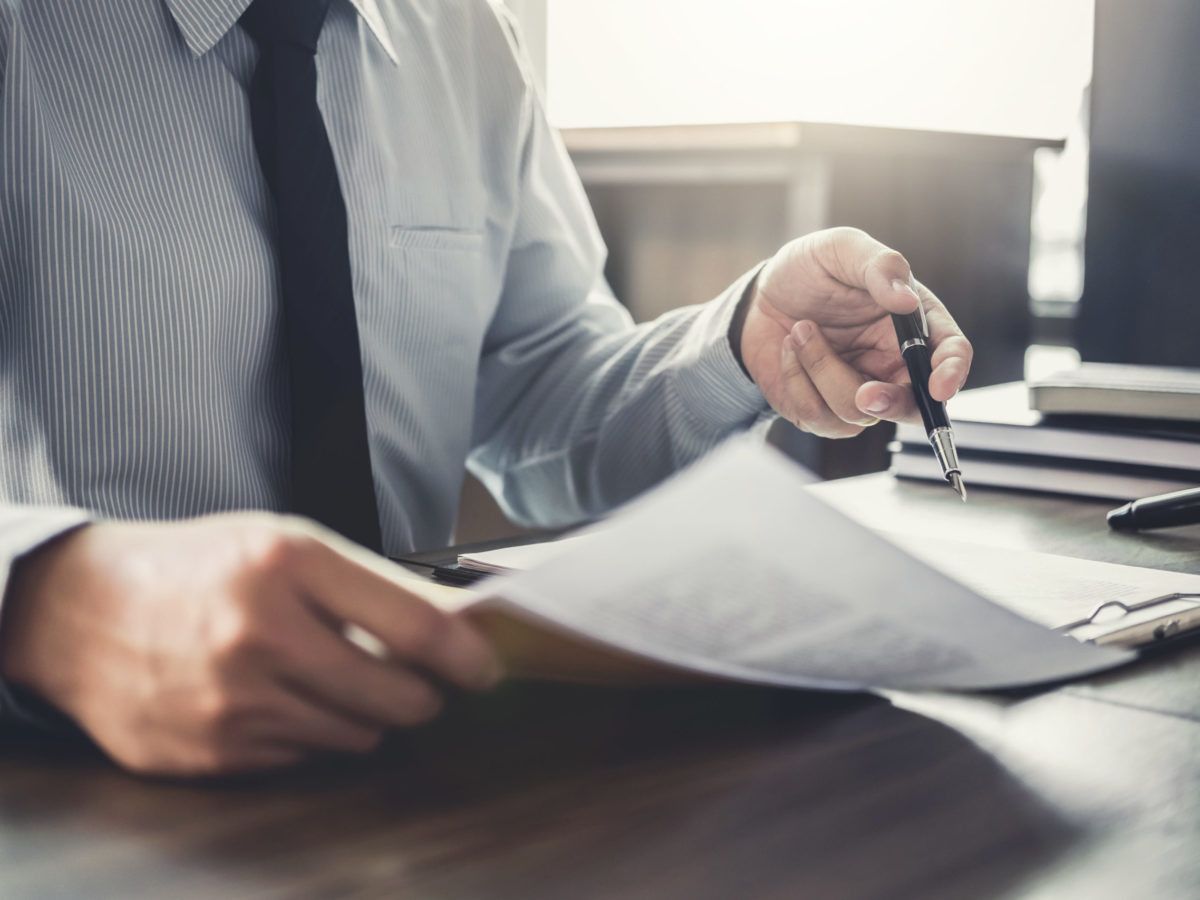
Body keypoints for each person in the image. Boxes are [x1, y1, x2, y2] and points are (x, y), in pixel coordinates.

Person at [0, 0, 972, 776]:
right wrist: (40, 603)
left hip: (412, 763)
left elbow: (543, 401)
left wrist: (743, 341)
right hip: (63, 787)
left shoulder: (464, 37)